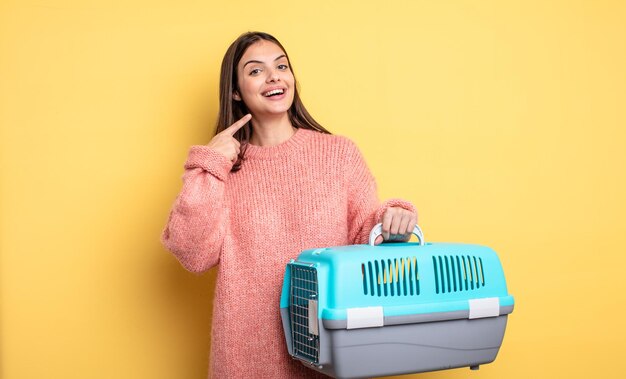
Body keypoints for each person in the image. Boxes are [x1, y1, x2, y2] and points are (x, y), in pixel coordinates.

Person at [161, 31, 418, 379]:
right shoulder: (223, 168)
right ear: (235, 92)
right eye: (255, 71)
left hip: (329, 349)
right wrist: (208, 165)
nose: (273, 77)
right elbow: (193, 254)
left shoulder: (338, 153)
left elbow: (365, 237)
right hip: (245, 355)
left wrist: (392, 220)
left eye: (281, 66)